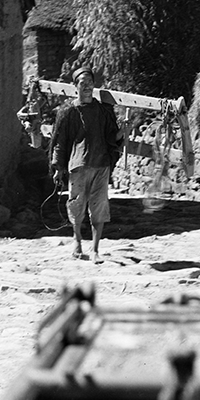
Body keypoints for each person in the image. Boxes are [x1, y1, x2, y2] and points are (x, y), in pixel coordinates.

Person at [50, 66, 122, 263]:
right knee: (77, 206)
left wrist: (123, 131)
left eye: (90, 83)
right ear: (76, 86)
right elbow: (60, 142)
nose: (88, 87)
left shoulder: (103, 111)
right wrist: (58, 167)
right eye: (83, 84)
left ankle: (95, 250)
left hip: (101, 165)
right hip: (78, 166)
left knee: (99, 207)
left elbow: (112, 138)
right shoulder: (69, 112)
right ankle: (77, 241)